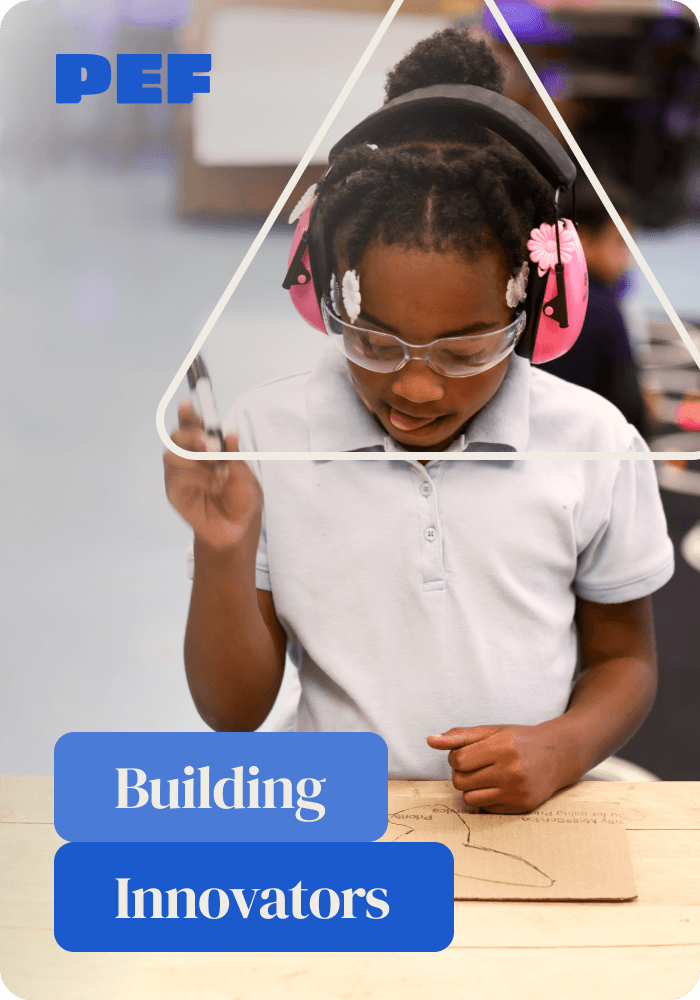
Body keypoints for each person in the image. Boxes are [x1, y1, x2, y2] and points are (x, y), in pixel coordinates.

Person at [163, 29, 673, 815]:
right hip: (335, 824)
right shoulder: (268, 433)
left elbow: (625, 661)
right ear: (321, 291)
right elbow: (233, 714)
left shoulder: (594, 442)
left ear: (537, 308)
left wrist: (562, 746)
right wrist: (222, 551)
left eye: (466, 350)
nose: (419, 386)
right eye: (375, 341)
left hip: (524, 825)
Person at [538, 176, 652, 439]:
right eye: (620, 243)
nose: (628, 257)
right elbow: (631, 408)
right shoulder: (603, 311)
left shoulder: (529, 289)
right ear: (584, 240)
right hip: (588, 441)